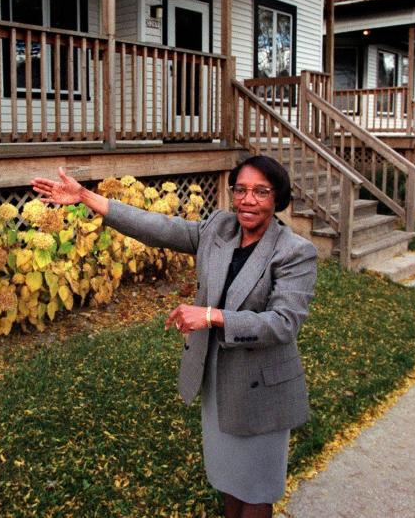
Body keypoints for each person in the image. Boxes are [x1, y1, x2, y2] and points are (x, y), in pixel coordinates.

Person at [31, 155, 317, 518]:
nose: (248, 200)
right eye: (241, 190)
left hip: (263, 389)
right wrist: (87, 197)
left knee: (257, 488)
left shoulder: (294, 251)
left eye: (261, 192)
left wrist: (212, 316)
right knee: (230, 480)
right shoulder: (220, 228)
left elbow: (283, 323)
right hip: (218, 381)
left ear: (278, 197)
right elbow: (160, 227)